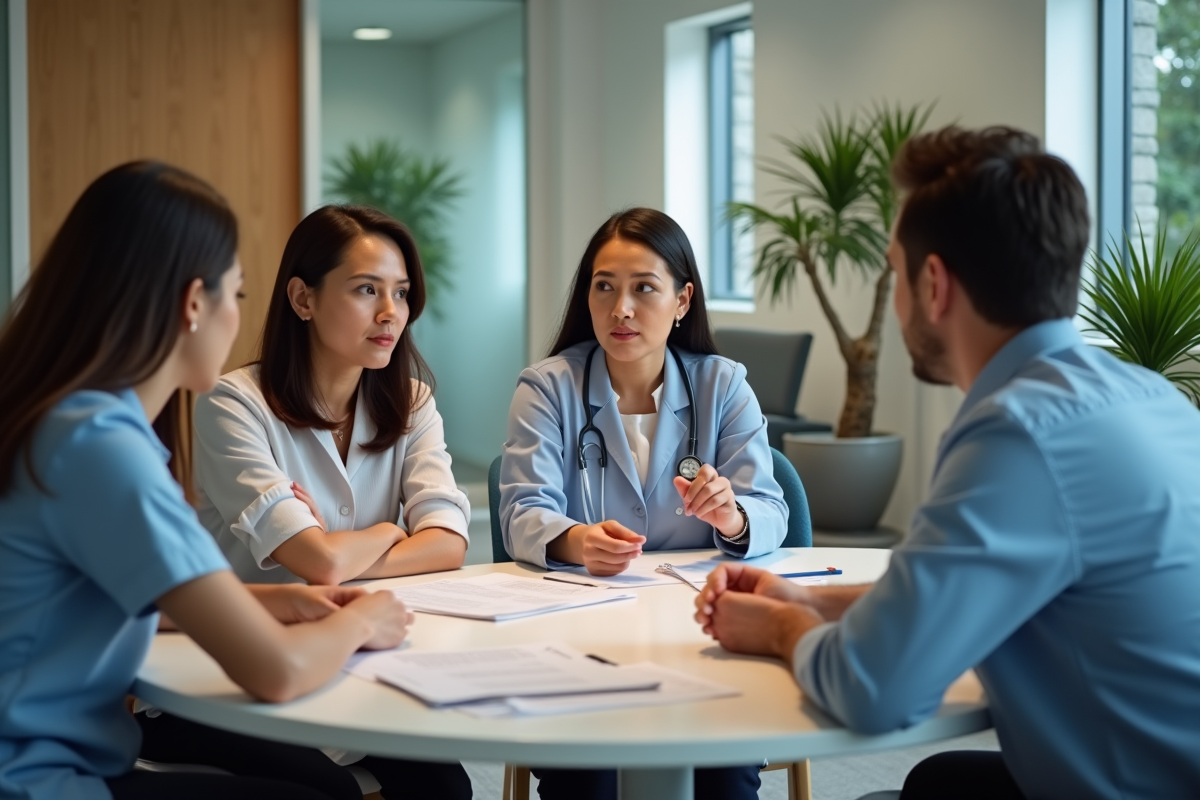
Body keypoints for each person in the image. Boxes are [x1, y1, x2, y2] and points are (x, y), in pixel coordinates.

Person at [695, 125, 1200, 800]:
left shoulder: (1019, 434)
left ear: (933, 284)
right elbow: (943, 592)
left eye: (894, 274)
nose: (896, 297)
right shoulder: (1150, 395)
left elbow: (875, 690)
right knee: (937, 783)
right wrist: (811, 596)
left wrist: (785, 626)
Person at [0, 161, 412, 800]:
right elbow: (277, 672)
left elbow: (153, 600)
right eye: (237, 293)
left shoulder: (68, 420)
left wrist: (290, 602)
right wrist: (364, 622)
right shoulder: (101, 447)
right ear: (195, 303)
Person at [167, 204, 472, 797]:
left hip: (358, 660)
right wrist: (391, 532)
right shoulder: (235, 404)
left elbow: (449, 544)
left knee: (446, 787)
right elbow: (322, 565)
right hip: (226, 671)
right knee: (324, 790)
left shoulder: (411, 402)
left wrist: (337, 550)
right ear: (303, 299)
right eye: (366, 290)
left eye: (402, 293)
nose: (391, 314)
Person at [500, 207, 786, 800]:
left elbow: (771, 508)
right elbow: (522, 509)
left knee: (725, 771)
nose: (620, 309)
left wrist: (731, 516)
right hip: (581, 637)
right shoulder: (547, 386)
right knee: (586, 775)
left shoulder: (722, 384)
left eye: (643, 289)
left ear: (682, 301)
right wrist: (578, 541)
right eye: (603, 287)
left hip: (700, 634)